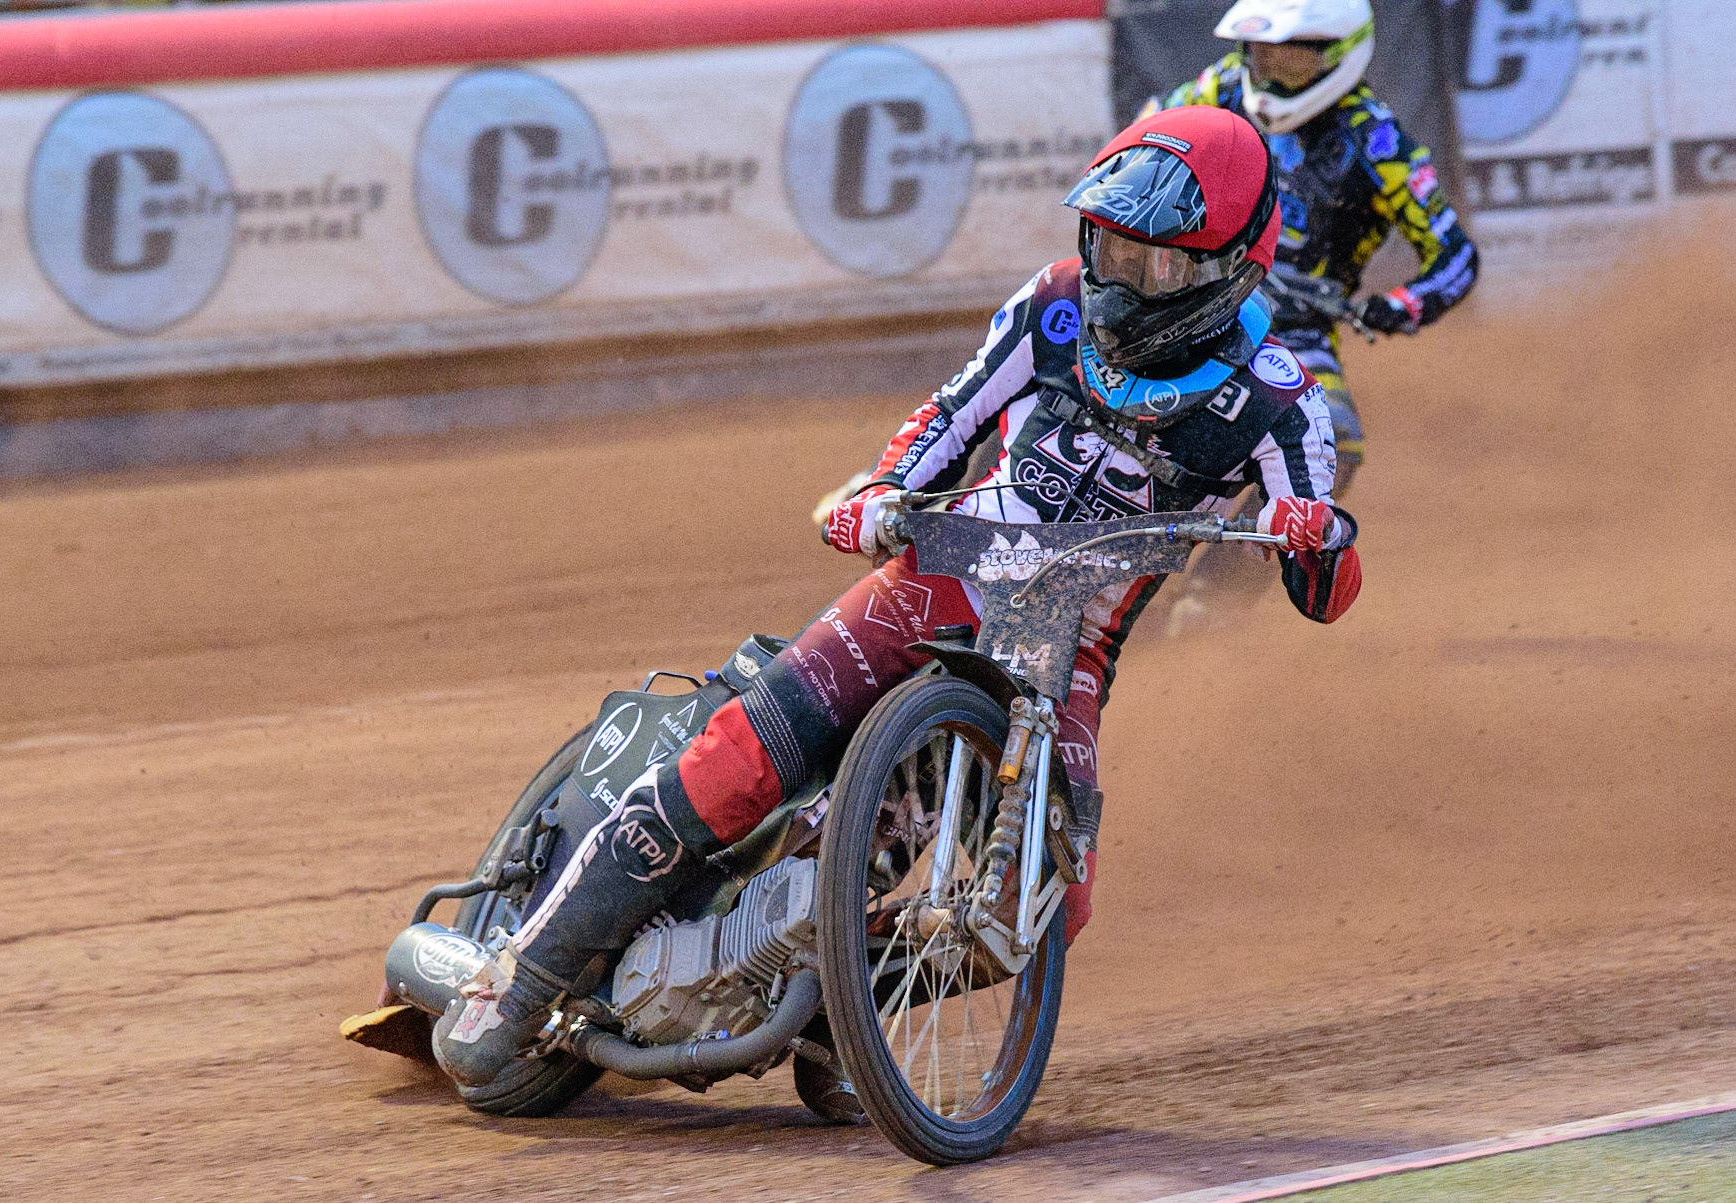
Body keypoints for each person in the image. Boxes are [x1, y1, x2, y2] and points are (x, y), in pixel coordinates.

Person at [433, 105, 1362, 1089]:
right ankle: (520, 976)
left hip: (1073, 639)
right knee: (737, 760)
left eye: (1154, 263)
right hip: (941, 572)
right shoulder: (1053, 305)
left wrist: (1316, 536)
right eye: (1108, 246)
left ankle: (848, 1011)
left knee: (1053, 900)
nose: (1119, 278)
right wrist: (883, 491)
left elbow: (1323, 582)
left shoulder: (1281, 400)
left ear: (1228, 271)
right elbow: (949, 415)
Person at [1145, 0, 1477, 496]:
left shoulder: (1375, 140)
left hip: (1296, 328)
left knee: (1332, 445)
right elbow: (1140, 144)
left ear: (1341, 55)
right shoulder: (1220, 88)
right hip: (1189, 294)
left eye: (1293, 61)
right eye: (1263, 56)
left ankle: (1225, 572)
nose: (1273, 76)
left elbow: (1456, 255)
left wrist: (1399, 306)